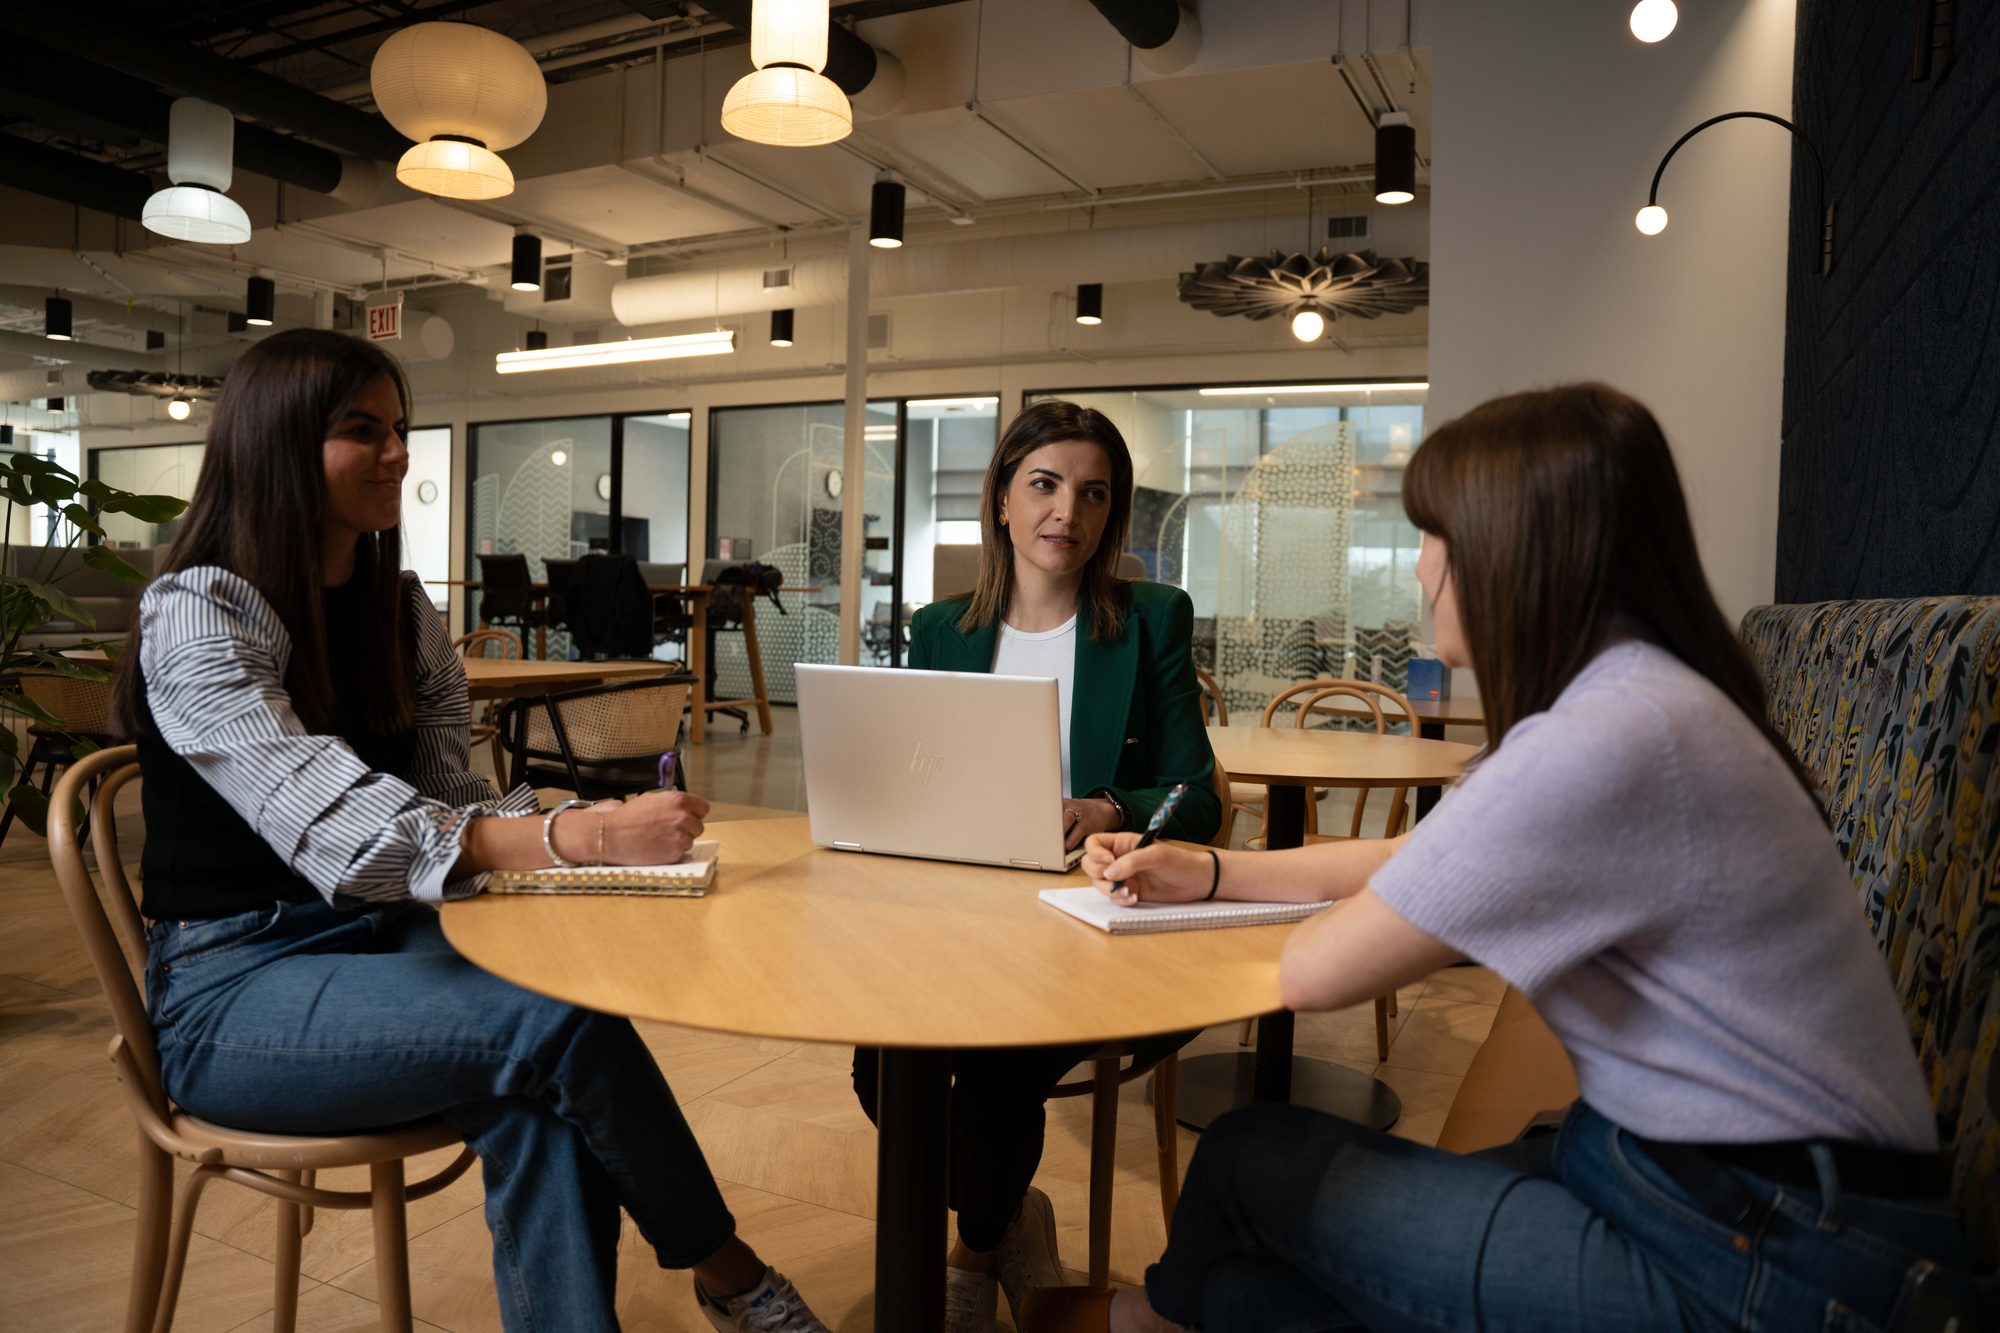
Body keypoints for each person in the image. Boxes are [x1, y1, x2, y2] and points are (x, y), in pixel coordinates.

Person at [1026, 384, 1970, 1332]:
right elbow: (1409, 854)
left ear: (1514, 548)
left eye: (1436, 534)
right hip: (1707, 1186)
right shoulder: (1643, 695)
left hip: (1772, 1254)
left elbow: (1319, 971)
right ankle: (1167, 1314)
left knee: (1240, 1155)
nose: (1422, 566)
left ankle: (1140, 1321)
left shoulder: (1607, 742)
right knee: (1240, 1295)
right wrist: (1215, 870)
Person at [114, 329, 828, 1333]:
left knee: (550, 1063)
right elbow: (333, 823)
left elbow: (450, 797)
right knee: (559, 1023)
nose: (397, 454)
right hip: (230, 989)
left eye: (398, 428)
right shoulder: (199, 607)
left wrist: (577, 826)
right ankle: (732, 1275)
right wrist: (572, 840)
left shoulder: (393, 608)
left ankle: (714, 1288)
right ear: (274, 443)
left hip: (374, 945)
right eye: (361, 431)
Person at [852, 399, 1220, 1331]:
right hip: (966, 918)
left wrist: (1111, 808)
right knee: (879, 1069)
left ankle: (973, 1254)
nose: (1068, 512)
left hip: (1097, 921)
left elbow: (1194, 796)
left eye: (1093, 494)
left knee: (994, 1077)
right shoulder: (941, 630)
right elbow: (917, 776)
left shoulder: (1152, 619)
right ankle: (1011, 1212)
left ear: (1112, 513)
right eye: (1046, 485)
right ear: (1003, 501)